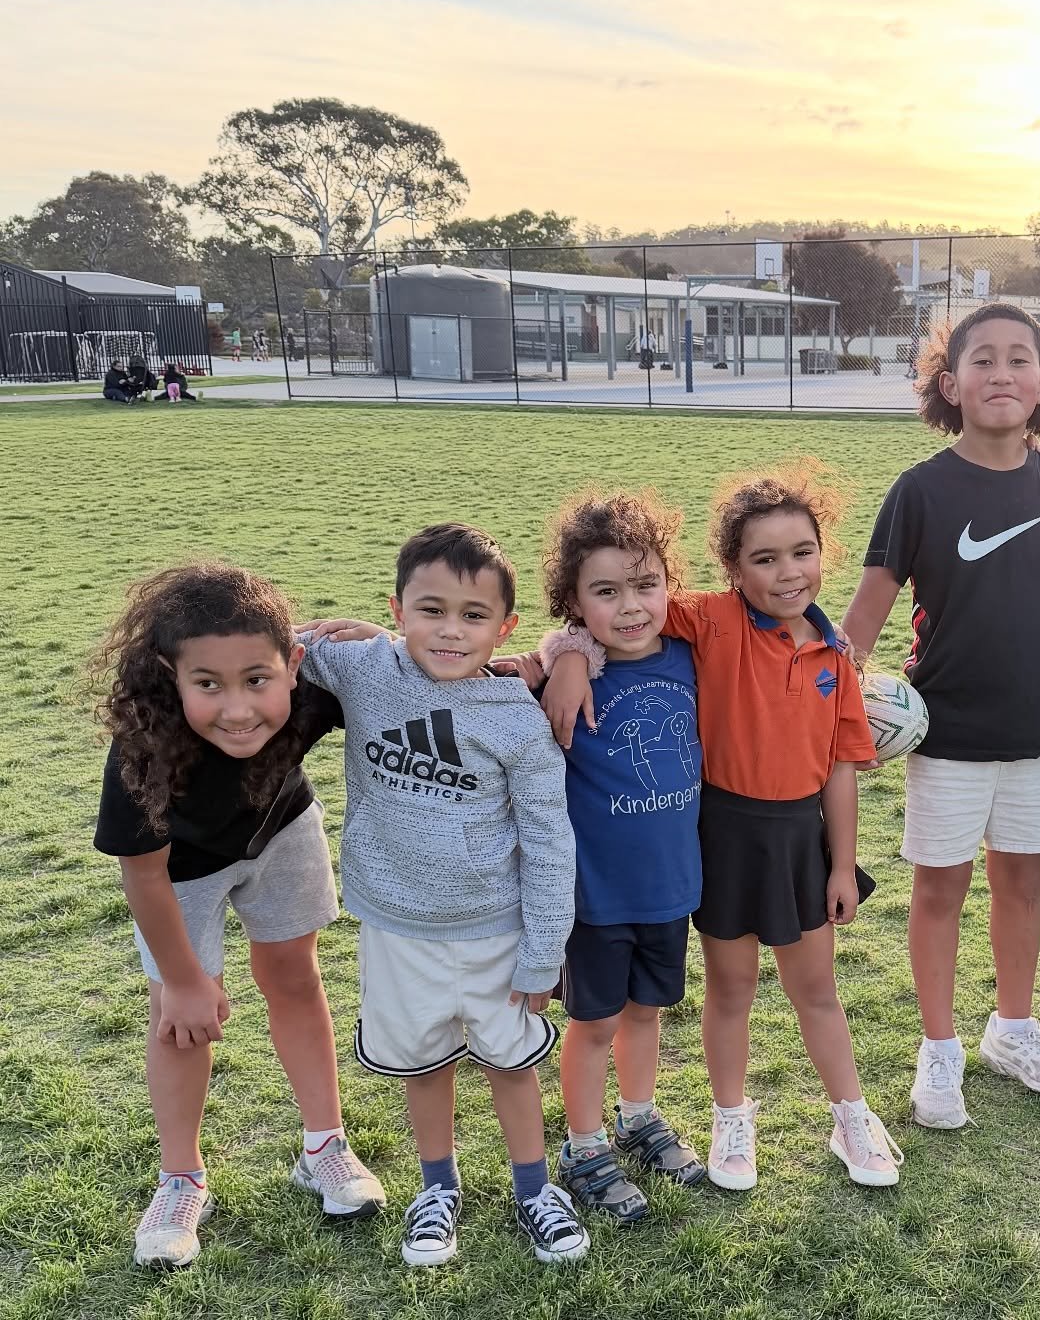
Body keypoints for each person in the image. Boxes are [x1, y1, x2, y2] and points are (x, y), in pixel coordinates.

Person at [543, 465, 902, 1193]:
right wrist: (569, 659)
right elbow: (604, 613)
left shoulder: (838, 657)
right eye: (763, 559)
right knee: (730, 990)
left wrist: (842, 865)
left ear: (823, 551)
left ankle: (852, 1116)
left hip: (802, 840)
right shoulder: (707, 619)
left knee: (818, 990)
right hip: (720, 835)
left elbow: (838, 766)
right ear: (732, 570)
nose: (787, 571)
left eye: (801, 551)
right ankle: (731, 1118)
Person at [298, 523, 589, 1267]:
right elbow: (274, 644)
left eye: (472, 616)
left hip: (496, 931)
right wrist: (360, 638)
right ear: (396, 608)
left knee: (510, 1064)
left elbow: (552, 841)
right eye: (430, 610)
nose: (451, 631)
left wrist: (542, 951)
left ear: (505, 627)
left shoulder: (517, 720)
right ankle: (438, 1190)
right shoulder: (363, 668)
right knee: (423, 1064)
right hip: (397, 930)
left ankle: (534, 1190)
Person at [840, 301, 1040, 1128]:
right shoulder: (920, 489)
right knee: (940, 889)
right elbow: (862, 623)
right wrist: (822, 697)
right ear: (949, 383)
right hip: (946, 732)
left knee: (1022, 881)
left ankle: (1012, 1030)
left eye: (1020, 358)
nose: (1002, 373)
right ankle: (939, 1051)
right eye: (981, 359)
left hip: (1037, 727)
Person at [92, 564, 386, 1269]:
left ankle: (324, 1148)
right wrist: (186, 979)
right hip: (178, 875)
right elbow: (143, 875)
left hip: (281, 832)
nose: (237, 708)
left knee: (293, 978)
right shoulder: (144, 745)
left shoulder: (314, 686)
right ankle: (181, 1178)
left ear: (292, 664)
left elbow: (429, 677)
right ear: (172, 676)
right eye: (208, 685)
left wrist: (384, 643)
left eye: (257, 679)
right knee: (179, 1019)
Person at [533, 492, 706, 1224]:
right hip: (595, 897)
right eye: (606, 592)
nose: (632, 607)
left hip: (670, 887)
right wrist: (564, 653)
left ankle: (638, 1116)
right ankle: (582, 1145)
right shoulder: (568, 669)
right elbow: (512, 656)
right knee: (595, 1024)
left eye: (646, 585)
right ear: (573, 603)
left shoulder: (695, 655)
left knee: (646, 1012)